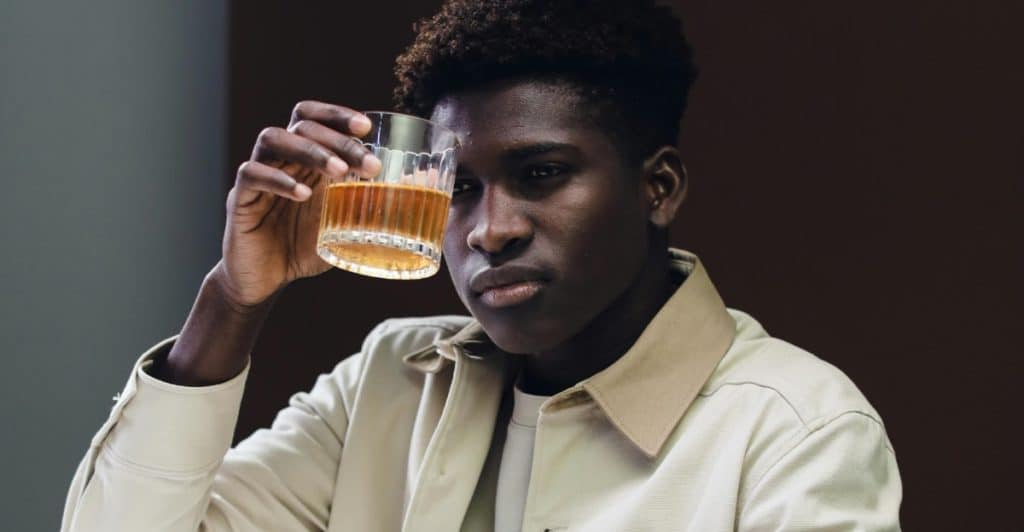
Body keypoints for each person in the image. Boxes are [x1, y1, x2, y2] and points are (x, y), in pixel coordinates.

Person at [61, 0, 902, 530]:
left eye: (542, 174)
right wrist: (232, 300)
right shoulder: (390, 383)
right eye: (458, 189)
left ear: (659, 187)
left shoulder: (793, 431)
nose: (489, 231)